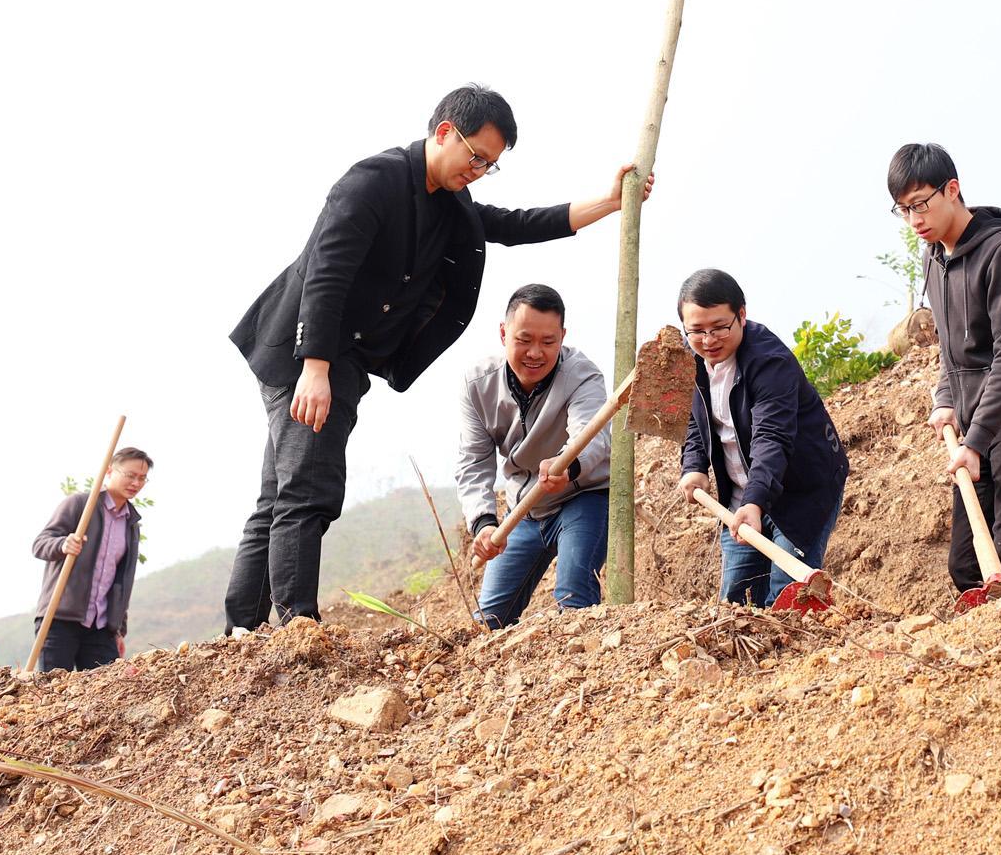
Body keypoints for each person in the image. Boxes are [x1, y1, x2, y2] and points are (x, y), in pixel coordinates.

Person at [225, 84, 650, 630]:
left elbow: (515, 225)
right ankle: (295, 627)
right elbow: (325, 274)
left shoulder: (450, 203)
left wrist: (610, 202)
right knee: (309, 488)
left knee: (280, 492)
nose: (478, 171)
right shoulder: (372, 183)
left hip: (342, 361)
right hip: (307, 354)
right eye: (476, 156)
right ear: (445, 131)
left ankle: (243, 626)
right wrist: (315, 365)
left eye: (490, 166)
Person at [888, 143, 1001, 595]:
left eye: (921, 205)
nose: (915, 221)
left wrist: (976, 440)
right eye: (903, 210)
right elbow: (952, 348)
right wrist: (947, 399)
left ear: (952, 190)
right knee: (967, 567)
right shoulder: (934, 258)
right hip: (975, 426)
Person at [676, 269, 849, 607]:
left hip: (799, 492)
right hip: (741, 498)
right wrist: (694, 464)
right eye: (696, 330)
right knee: (736, 605)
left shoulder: (769, 362)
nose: (708, 340)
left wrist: (756, 501)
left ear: (742, 314)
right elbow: (695, 420)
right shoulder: (689, 357)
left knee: (786, 598)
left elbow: (771, 437)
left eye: (719, 327)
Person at [456, 285, 611, 628]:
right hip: (523, 510)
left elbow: (593, 435)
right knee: (488, 622)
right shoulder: (478, 384)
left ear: (562, 337)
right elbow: (473, 462)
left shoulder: (583, 375)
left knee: (575, 599)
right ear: (503, 333)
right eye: (524, 340)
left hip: (583, 497)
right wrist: (483, 522)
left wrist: (567, 465)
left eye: (548, 342)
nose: (536, 353)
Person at [30, 447, 152, 671]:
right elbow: (40, 544)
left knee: (104, 696)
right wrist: (63, 544)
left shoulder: (131, 524)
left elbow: (122, 581)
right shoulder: (79, 505)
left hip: (101, 626)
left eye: (142, 478)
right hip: (60, 618)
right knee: (54, 692)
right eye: (130, 475)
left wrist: (118, 629)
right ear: (109, 471)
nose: (136, 483)